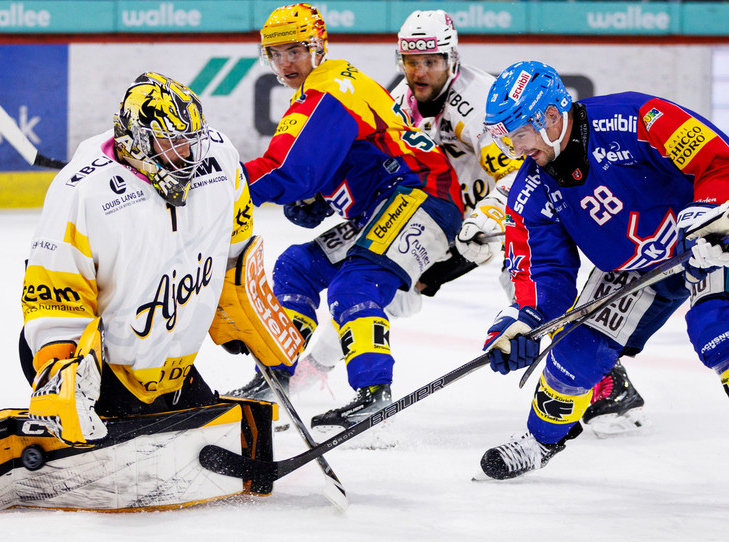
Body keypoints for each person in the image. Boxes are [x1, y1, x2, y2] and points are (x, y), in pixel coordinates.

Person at [251, 8, 649, 439]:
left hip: (495, 218)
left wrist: (489, 218)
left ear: (452, 59)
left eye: (432, 62)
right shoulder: (401, 97)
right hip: (434, 216)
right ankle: (310, 372)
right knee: (384, 290)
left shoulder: (478, 102)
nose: (421, 72)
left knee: (528, 291)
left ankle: (608, 381)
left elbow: (520, 175)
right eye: (412, 61)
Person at [0, 72, 300, 511]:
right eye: (172, 144)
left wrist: (244, 311)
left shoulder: (218, 161)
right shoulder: (81, 193)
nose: (188, 157)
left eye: (191, 142)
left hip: (166, 362)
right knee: (110, 442)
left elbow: (235, 252)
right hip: (95, 364)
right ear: (138, 143)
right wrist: (62, 371)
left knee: (205, 430)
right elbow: (54, 291)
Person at [478, 60, 729, 480]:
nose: (515, 151)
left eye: (518, 136)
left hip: (705, 239)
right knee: (572, 358)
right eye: (506, 141)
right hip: (632, 270)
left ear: (551, 117)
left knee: (717, 332)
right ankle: (541, 441)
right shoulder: (530, 193)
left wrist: (711, 214)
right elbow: (546, 273)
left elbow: (720, 161)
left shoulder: (638, 118)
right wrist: (523, 322)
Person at [227, 3, 465, 433]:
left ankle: (374, 396)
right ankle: (279, 370)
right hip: (385, 204)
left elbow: (289, 171)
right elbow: (330, 173)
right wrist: (313, 201)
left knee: (355, 282)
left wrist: (221, 183)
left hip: (421, 196)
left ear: (319, 47)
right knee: (296, 267)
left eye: (295, 50)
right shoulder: (324, 90)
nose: (285, 63)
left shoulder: (328, 88)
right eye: (275, 54)